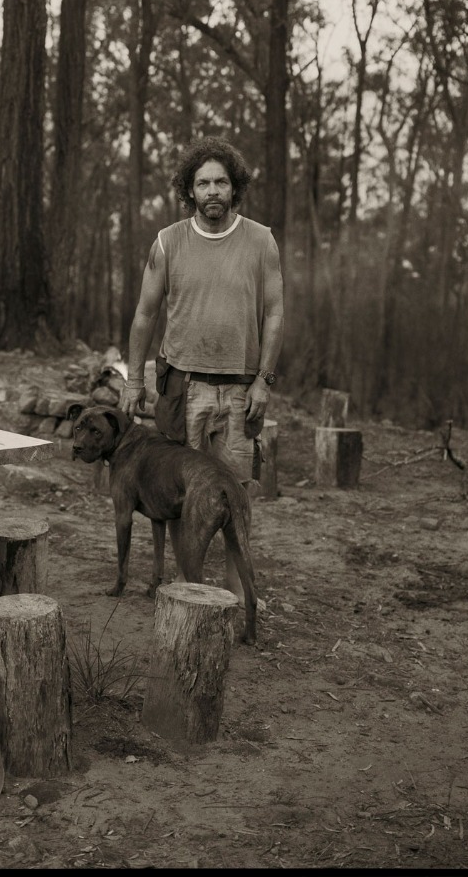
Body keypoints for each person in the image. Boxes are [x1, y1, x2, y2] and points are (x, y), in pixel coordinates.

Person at [120, 137, 284, 598]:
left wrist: (264, 381)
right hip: (181, 385)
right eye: (203, 183)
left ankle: (232, 600)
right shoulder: (168, 243)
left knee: (235, 497)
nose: (212, 191)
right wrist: (134, 379)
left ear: (235, 189)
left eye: (221, 182)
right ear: (189, 190)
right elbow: (145, 314)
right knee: (177, 497)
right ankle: (188, 594)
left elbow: (275, 313)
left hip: (238, 390)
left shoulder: (260, 241)